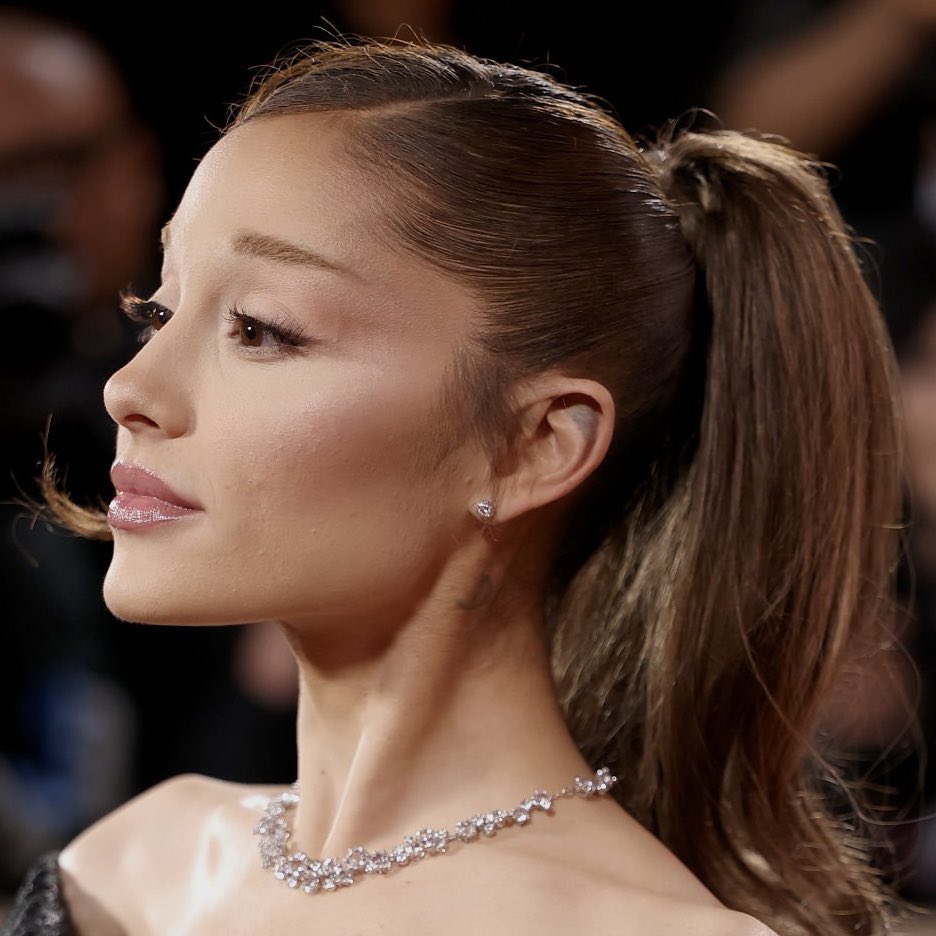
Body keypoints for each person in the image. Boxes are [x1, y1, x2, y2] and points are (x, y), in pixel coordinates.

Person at [0, 35, 910, 936]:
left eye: (259, 328)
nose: (131, 388)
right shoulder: (125, 870)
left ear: (537, 444)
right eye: (157, 310)